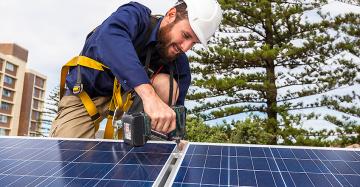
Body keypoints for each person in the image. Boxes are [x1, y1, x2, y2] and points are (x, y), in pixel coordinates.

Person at [50, 0, 223, 139]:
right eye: (185, 36)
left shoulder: (179, 64)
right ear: (171, 15)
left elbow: (176, 112)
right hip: (87, 96)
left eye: (193, 43)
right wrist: (149, 97)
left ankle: (140, 150)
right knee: (71, 158)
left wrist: (176, 140)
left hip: (130, 107)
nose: (185, 48)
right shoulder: (134, 15)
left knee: (167, 85)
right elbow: (110, 38)